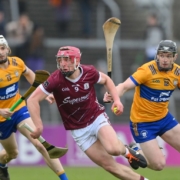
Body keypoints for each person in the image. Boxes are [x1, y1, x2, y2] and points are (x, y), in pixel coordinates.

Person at [27, 46, 149, 180]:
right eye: (60, 60)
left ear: (77, 61)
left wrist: (117, 100)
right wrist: (38, 126)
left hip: (96, 117)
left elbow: (106, 80)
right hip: (79, 131)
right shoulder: (55, 79)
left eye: (67, 60)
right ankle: (135, 163)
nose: (63, 64)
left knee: (113, 149)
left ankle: (126, 151)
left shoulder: (89, 72)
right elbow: (32, 100)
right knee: (110, 167)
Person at [104, 40, 180, 171]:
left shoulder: (177, 73)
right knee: (159, 165)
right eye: (162, 55)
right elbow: (124, 86)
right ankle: (133, 150)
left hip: (164, 119)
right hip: (143, 123)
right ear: (157, 55)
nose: (165, 59)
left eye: (168, 56)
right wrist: (114, 95)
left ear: (175, 57)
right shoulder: (147, 70)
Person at [0, 35, 68, 180]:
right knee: (12, 153)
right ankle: (1, 163)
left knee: (41, 144)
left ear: (7, 49)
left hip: (19, 111)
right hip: (1, 119)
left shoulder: (17, 63)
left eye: (2, 48)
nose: (0, 52)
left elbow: (31, 75)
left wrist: (45, 93)